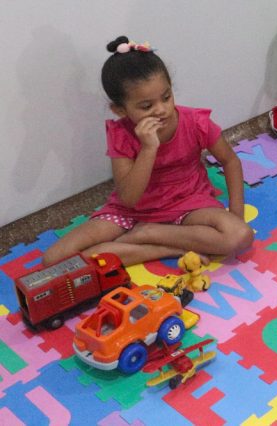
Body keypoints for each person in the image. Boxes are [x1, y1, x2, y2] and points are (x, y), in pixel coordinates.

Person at [43, 36, 254, 267]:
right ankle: (161, 248)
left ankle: (149, 233)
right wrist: (148, 148)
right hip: (131, 212)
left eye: (166, 97)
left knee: (240, 236)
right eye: (146, 106)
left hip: (189, 203)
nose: (162, 110)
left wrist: (236, 214)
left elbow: (230, 161)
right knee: (55, 260)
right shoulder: (121, 133)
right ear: (120, 110)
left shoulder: (195, 122)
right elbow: (129, 198)